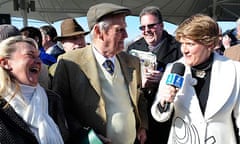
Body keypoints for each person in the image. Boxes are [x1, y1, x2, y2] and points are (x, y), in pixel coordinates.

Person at [51, 3, 148, 144]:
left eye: (125, 29)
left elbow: (140, 97)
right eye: (119, 30)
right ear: (98, 32)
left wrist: (142, 126)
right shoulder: (70, 63)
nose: (126, 35)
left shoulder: (131, 61)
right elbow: (60, 108)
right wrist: (85, 134)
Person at [151, 13, 240, 144]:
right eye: (182, 43)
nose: (184, 50)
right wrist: (165, 101)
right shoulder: (173, 68)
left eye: (190, 44)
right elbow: (160, 116)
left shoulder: (234, 69)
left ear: (209, 44)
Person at [127, 6, 182, 143]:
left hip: (168, 114)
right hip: (142, 115)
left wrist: (163, 79)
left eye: (151, 26)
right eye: (142, 27)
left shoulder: (179, 47)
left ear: (162, 26)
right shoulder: (133, 48)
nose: (146, 31)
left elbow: (186, 78)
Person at [0, 36, 68, 143]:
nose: (39, 62)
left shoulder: (53, 99)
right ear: (5, 63)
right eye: (30, 55)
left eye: (38, 57)